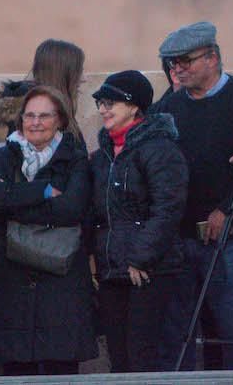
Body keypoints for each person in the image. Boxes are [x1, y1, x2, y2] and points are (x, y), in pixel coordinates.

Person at [153, 22, 233, 371]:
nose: (179, 69)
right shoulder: (167, 107)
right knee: (178, 339)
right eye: (174, 63)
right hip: (180, 240)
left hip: (231, 238)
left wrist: (225, 211)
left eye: (186, 61)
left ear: (213, 57)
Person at [0, 86, 97, 375]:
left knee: (60, 368)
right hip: (9, 278)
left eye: (44, 116)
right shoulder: (5, 155)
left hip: (60, 280)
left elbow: (72, 207)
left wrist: (14, 203)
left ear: (60, 121)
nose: (35, 122)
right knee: (15, 368)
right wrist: (42, 190)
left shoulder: (75, 158)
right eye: (29, 115)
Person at [89, 71, 188, 373]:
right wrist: (95, 257)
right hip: (112, 270)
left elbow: (167, 208)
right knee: (118, 356)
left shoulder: (159, 148)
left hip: (148, 270)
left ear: (134, 107)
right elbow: (98, 213)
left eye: (111, 103)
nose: (104, 109)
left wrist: (140, 259)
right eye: (101, 103)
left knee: (143, 354)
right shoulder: (103, 154)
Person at [30, 38, 85, 138]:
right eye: (78, 72)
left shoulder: (60, 116)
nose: (83, 79)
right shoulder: (36, 126)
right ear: (61, 76)